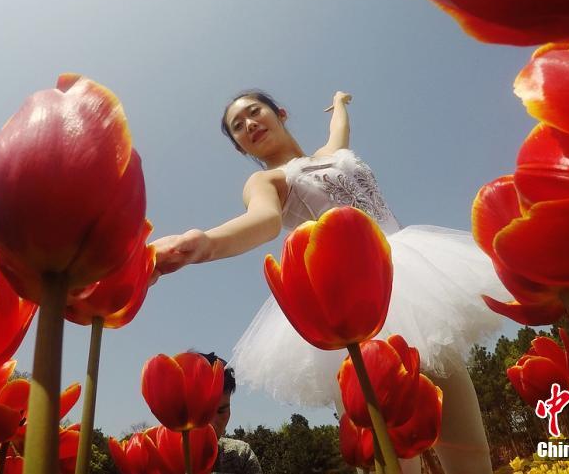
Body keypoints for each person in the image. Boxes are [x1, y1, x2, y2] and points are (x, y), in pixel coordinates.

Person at [153, 91, 510, 474]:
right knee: (386, 459)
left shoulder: (334, 153)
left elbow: (340, 128)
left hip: (412, 282)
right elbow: (264, 221)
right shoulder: (266, 180)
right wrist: (205, 243)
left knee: (467, 444)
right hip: (347, 302)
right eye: (237, 127)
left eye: (254, 112)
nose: (249, 125)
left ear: (281, 113)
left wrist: (339, 102)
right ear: (240, 147)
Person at [197, 351, 263, 474]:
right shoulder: (155, 456)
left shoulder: (240, 456)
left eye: (221, 411)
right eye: (202, 412)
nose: (211, 424)